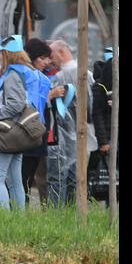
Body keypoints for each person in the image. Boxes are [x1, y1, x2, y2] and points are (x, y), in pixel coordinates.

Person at [0, 35, 51, 211]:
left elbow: (16, 104)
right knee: (15, 180)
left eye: (1, 54)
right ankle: (19, 218)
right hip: (21, 133)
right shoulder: (29, 72)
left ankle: (4, 217)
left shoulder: (14, 75)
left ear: (7, 54)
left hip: (9, 133)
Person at [46, 40, 95, 206]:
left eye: (52, 56)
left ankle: (56, 213)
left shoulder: (61, 76)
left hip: (62, 134)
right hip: (82, 134)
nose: (51, 62)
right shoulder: (87, 74)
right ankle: (74, 211)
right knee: (75, 176)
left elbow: (54, 109)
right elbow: (91, 106)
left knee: (58, 177)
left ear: (61, 52)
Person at [22, 37, 54, 204]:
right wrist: (51, 95)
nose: (46, 62)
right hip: (28, 133)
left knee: (32, 170)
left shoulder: (40, 75)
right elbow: (30, 101)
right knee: (24, 177)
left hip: (38, 133)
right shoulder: (27, 75)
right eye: (42, 58)